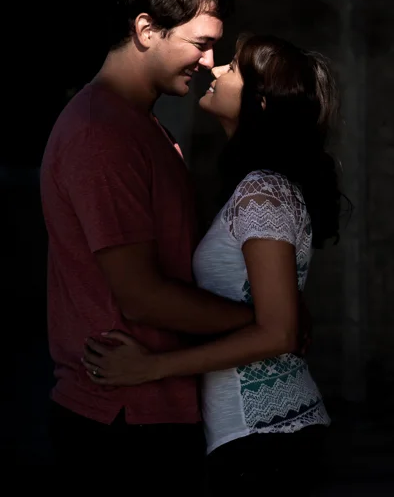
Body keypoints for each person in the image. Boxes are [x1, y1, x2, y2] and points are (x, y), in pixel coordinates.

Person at [81, 33, 342, 495]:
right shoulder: (258, 187)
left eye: (235, 69)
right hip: (255, 438)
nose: (216, 69)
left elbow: (278, 332)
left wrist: (151, 367)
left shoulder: (263, 191)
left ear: (261, 105)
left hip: (266, 441)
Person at [41, 0, 246, 491]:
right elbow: (141, 295)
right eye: (200, 43)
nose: (208, 61)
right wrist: (264, 326)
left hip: (156, 409)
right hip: (122, 420)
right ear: (145, 30)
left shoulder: (142, 126)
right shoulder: (100, 133)